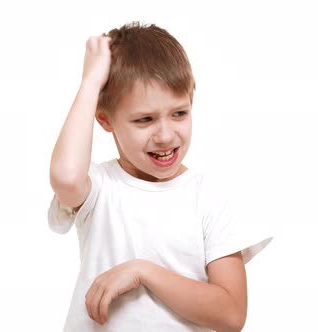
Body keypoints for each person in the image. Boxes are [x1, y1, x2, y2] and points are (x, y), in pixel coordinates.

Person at [47, 21, 272, 332]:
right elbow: (67, 178)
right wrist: (90, 82)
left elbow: (231, 314)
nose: (165, 135)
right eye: (145, 119)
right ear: (104, 119)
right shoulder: (100, 189)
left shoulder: (208, 197)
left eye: (179, 113)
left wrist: (144, 272)